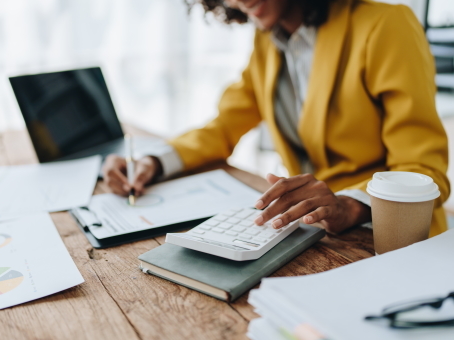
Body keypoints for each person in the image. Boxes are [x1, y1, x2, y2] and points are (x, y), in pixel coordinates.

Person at [103, 0, 450, 236]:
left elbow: (423, 172)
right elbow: (223, 128)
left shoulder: (385, 25)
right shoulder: (269, 40)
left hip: (389, 236)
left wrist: (348, 205)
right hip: (314, 231)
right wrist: (152, 162)